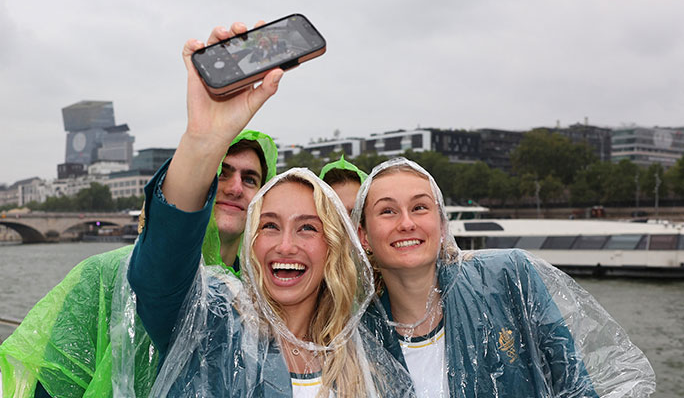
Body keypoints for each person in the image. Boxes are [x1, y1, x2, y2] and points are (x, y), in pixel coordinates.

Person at [126, 21, 413, 397]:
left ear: (333, 248)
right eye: (270, 226)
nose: (285, 246)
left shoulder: (371, 354)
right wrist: (204, 139)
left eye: (308, 228)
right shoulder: (209, 330)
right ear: (251, 243)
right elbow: (159, 270)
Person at [0, 129, 276, 398]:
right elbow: (57, 385)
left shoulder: (265, 294)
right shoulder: (107, 274)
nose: (236, 187)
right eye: (221, 173)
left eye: (250, 179)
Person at [353, 158, 657, 397]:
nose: (406, 223)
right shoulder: (357, 335)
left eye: (419, 207)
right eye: (388, 211)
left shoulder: (509, 278)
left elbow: (576, 384)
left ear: (442, 225)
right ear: (363, 236)